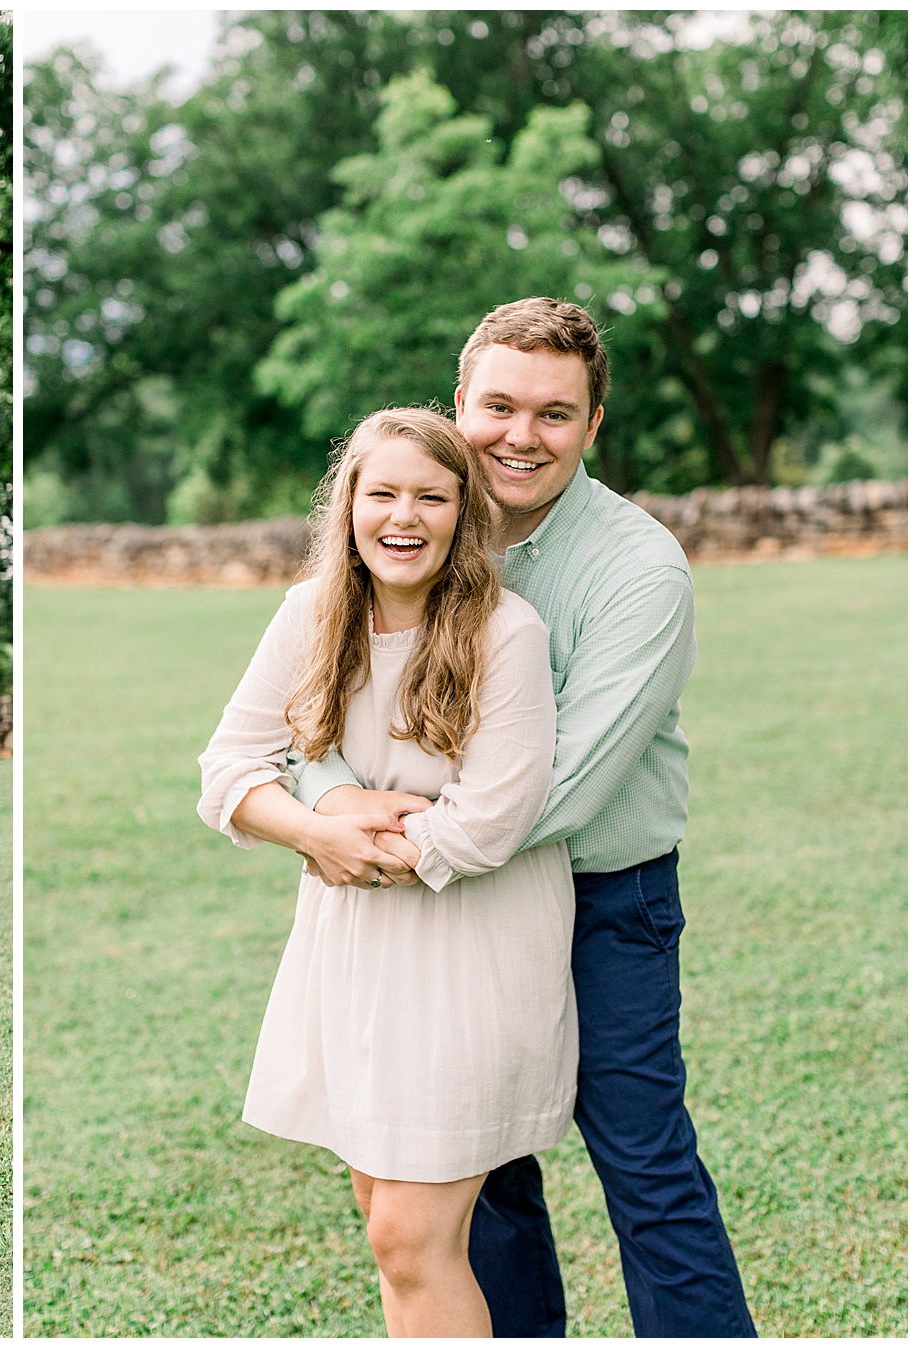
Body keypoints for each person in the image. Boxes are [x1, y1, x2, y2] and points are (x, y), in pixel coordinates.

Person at [293, 298, 754, 1337]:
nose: (521, 435)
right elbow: (311, 707)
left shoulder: (639, 569)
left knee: (645, 1168)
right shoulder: (411, 531)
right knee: (478, 1176)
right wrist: (327, 803)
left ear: (594, 425)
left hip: (604, 901)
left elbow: (567, 784)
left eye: (555, 414)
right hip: (456, 907)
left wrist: (386, 843)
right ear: (461, 403)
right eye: (499, 406)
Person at [199, 406, 574, 1336]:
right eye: (384, 494)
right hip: (354, 954)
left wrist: (347, 828)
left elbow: (485, 825)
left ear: (463, 513)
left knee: (411, 1238)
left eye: (432, 498)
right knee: (387, 1226)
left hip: (474, 955)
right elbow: (228, 770)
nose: (404, 518)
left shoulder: (507, 632)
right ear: (350, 505)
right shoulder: (311, 613)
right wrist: (316, 824)